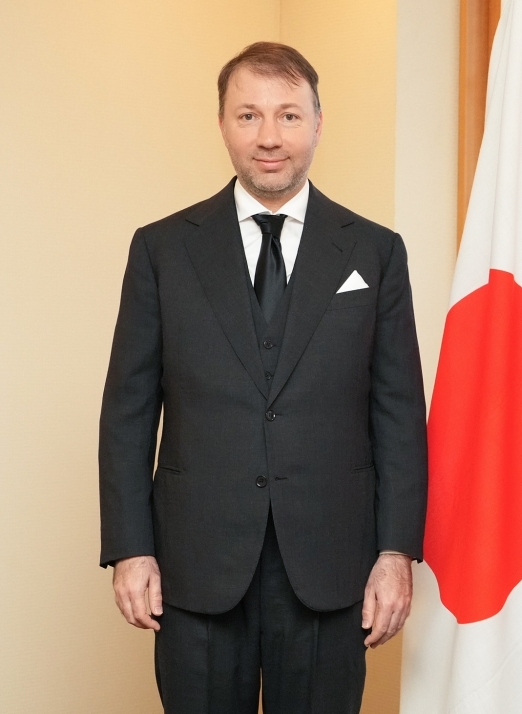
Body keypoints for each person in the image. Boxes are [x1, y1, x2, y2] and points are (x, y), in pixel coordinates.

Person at [99, 42, 428, 714]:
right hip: (195, 565)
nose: (270, 137)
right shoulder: (161, 249)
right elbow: (128, 412)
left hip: (332, 568)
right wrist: (130, 550)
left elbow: (398, 415)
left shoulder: (375, 251)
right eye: (248, 116)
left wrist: (397, 553)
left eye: (287, 115)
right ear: (222, 123)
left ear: (317, 121)